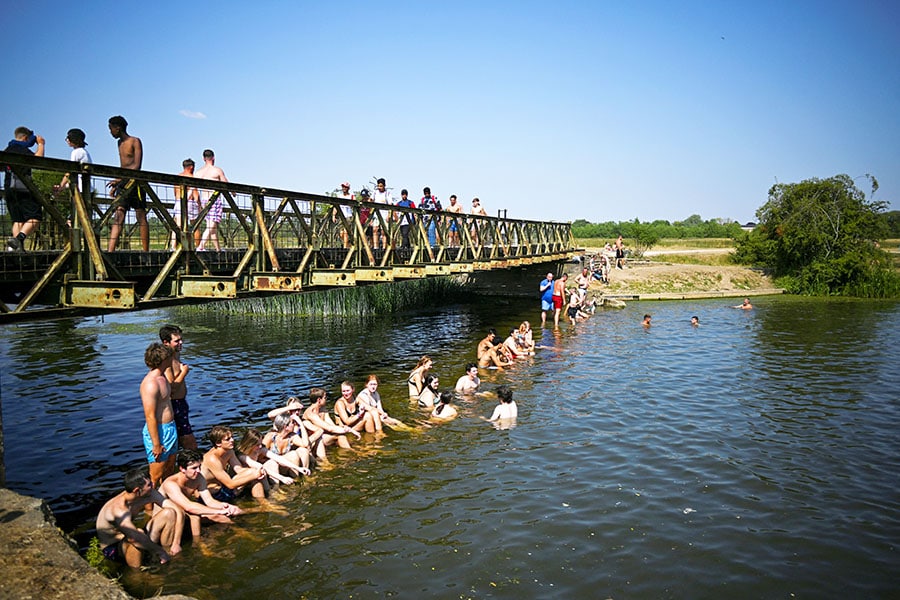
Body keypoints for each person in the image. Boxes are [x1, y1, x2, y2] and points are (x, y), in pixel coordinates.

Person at [95, 467, 183, 568]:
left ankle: (169, 553)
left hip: (133, 536)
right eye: (149, 485)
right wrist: (160, 552)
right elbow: (134, 538)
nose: (153, 486)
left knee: (169, 513)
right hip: (113, 548)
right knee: (138, 534)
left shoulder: (149, 493)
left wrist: (176, 542)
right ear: (137, 490)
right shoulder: (118, 509)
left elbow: (178, 511)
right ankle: (137, 575)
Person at [160, 449, 242, 539]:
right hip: (169, 519)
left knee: (222, 517)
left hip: (185, 515)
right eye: (194, 468)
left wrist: (227, 507)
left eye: (199, 466)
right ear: (182, 469)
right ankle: (199, 545)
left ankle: (243, 535)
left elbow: (209, 501)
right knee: (199, 516)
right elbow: (189, 507)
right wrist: (219, 511)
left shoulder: (199, 477)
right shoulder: (170, 483)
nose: (199, 471)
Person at [107, 115, 148, 252]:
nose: (110, 132)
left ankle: (146, 251)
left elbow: (137, 165)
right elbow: (122, 165)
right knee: (119, 214)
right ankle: (110, 251)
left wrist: (119, 179)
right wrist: (118, 183)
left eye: (111, 128)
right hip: (123, 182)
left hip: (135, 182)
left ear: (118, 128)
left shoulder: (135, 141)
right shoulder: (119, 143)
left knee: (140, 215)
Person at [141, 342, 178, 487]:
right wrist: (156, 444)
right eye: (169, 356)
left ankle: (165, 501)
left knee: (169, 470)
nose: (172, 358)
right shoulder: (151, 384)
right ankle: (149, 509)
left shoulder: (163, 377)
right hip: (159, 431)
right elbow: (150, 416)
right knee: (155, 476)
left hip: (171, 428)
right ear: (163, 359)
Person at [4, 126, 45, 251]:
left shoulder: (8, 149)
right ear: (25, 138)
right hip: (22, 188)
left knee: (18, 220)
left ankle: (14, 250)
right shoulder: (21, 148)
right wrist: (41, 144)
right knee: (35, 217)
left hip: (9, 189)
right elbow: (37, 161)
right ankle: (19, 239)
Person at [201, 425, 268, 501]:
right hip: (215, 494)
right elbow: (230, 485)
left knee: (253, 472)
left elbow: (239, 469)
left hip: (224, 487)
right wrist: (254, 475)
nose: (232, 440)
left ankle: (263, 501)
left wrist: (257, 471)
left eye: (232, 437)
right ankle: (264, 504)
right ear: (218, 443)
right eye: (228, 439)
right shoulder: (212, 459)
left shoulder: (229, 451)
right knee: (254, 475)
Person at [159, 325, 196, 451]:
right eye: (176, 341)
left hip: (181, 403)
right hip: (174, 404)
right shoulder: (167, 360)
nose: (181, 343)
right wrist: (184, 372)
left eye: (181, 340)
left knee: (182, 441)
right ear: (166, 342)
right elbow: (171, 388)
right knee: (189, 443)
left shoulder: (176, 355)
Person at [304, 387, 359, 460]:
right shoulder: (310, 413)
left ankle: (352, 453)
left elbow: (331, 425)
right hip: (314, 440)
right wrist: (350, 430)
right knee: (334, 436)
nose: (326, 399)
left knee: (341, 436)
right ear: (319, 400)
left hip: (324, 436)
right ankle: (325, 461)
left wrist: (344, 428)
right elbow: (329, 428)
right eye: (325, 397)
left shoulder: (323, 409)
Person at [195, 149, 229, 251]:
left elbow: (193, 187)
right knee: (211, 226)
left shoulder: (199, 172)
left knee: (212, 227)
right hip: (214, 200)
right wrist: (233, 192)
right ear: (213, 157)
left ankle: (218, 249)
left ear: (203, 158)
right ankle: (201, 247)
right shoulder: (217, 170)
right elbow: (226, 184)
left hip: (204, 200)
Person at [170, 158, 201, 249]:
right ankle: (198, 247)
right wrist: (200, 206)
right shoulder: (191, 178)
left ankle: (173, 247)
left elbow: (175, 193)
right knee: (195, 225)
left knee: (177, 226)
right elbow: (196, 196)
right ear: (191, 167)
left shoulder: (177, 177)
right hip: (190, 203)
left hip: (178, 202)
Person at [57, 128, 92, 197]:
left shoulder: (76, 152)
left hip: (80, 189)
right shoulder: (84, 152)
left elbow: (70, 171)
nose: (67, 140)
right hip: (86, 187)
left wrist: (61, 186)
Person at [371, 178, 391, 250]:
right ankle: (376, 247)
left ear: (384, 186)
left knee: (384, 232)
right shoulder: (375, 192)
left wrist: (389, 214)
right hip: (376, 215)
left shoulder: (387, 193)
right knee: (375, 230)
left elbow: (390, 204)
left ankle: (384, 247)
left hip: (384, 215)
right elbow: (371, 201)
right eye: (378, 186)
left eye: (381, 186)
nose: (379, 188)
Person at [333, 182, 355, 248]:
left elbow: (355, 205)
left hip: (348, 216)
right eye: (343, 187)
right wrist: (333, 215)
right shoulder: (339, 196)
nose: (344, 188)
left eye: (345, 187)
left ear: (348, 188)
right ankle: (348, 245)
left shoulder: (351, 196)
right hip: (341, 217)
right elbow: (336, 206)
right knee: (341, 233)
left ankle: (345, 248)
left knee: (346, 232)